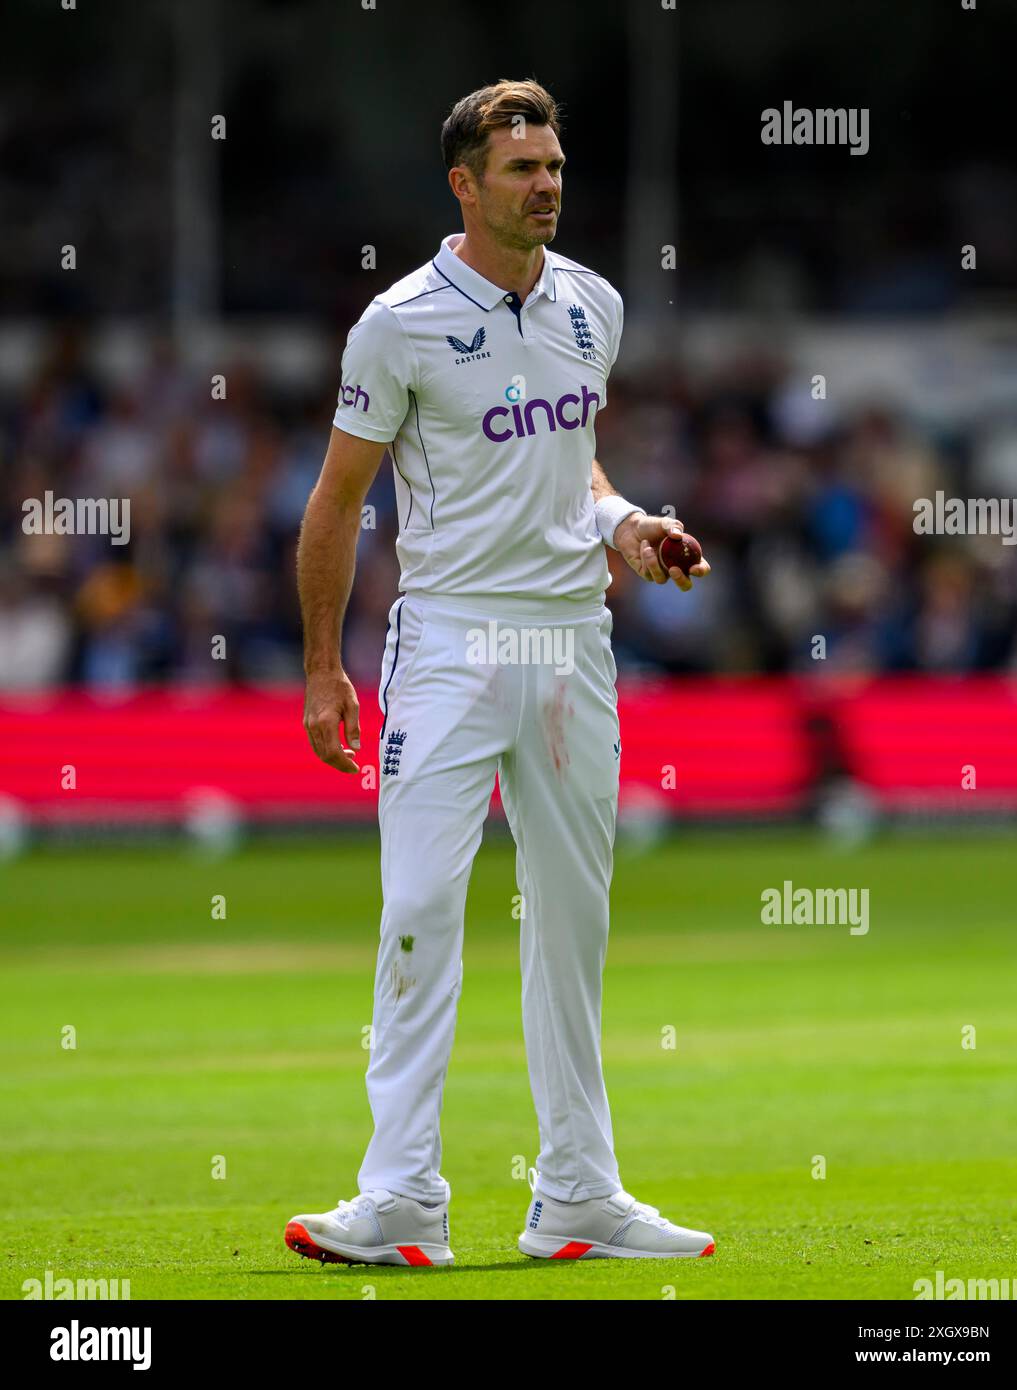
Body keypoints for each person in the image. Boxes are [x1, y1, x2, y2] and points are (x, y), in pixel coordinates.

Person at [287, 79, 712, 1267]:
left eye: (557, 167)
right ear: (463, 184)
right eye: (522, 169)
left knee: (571, 924)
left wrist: (628, 525)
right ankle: (399, 1198)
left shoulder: (594, 306)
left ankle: (577, 1191)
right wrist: (323, 668)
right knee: (420, 908)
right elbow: (334, 503)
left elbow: (572, 471)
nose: (548, 187)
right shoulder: (399, 322)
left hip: (572, 641)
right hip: (452, 642)